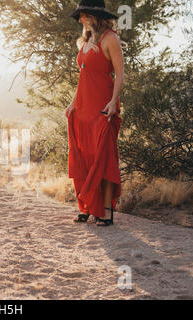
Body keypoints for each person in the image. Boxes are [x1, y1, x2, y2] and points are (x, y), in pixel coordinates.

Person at [66, 0, 124, 226]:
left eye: (83, 15)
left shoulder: (111, 38)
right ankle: (87, 206)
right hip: (83, 107)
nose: (80, 19)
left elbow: (120, 75)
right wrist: (72, 102)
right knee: (85, 156)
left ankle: (106, 210)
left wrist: (112, 102)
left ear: (95, 15)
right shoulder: (86, 40)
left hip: (103, 106)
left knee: (105, 156)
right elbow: (83, 77)